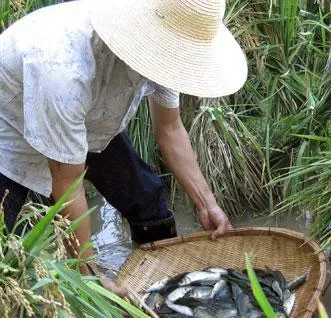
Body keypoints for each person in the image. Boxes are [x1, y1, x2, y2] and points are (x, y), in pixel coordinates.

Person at [0, 0, 247, 296]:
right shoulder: (63, 65)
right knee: (12, 259)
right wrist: (89, 275)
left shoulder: (170, 49)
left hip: (89, 121)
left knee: (147, 200)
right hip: (10, 139)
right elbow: (67, 184)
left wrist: (208, 204)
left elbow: (169, 129)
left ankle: (160, 287)